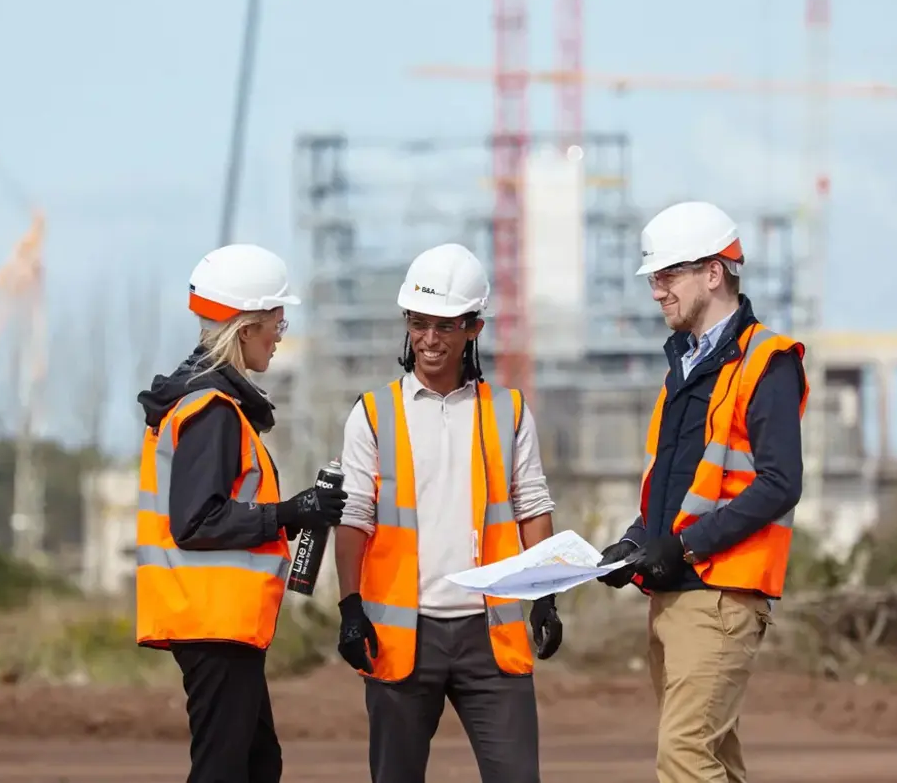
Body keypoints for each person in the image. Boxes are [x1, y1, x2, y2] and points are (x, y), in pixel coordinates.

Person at [333, 242, 563, 783]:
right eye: (418, 324)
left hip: (492, 634)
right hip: (401, 634)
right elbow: (354, 520)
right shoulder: (372, 414)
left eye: (444, 326)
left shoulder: (507, 411)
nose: (429, 340)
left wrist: (546, 597)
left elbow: (532, 505)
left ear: (473, 328)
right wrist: (349, 606)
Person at [596, 201, 809, 783]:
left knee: (685, 757)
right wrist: (636, 542)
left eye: (667, 276)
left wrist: (685, 547)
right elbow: (671, 486)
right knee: (714, 760)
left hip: (720, 595)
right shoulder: (684, 369)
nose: (657, 292)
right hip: (674, 594)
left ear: (713, 273)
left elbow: (780, 483)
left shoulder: (767, 361)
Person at [134, 243, 347, 783]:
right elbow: (196, 522)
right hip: (213, 621)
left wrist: (291, 512)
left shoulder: (200, 403)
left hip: (214, 620)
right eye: (277, 319)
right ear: (245, 326)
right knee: (225, 770)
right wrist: (286, 513)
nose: (281, 332)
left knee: (256, 763)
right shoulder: (212, 411)